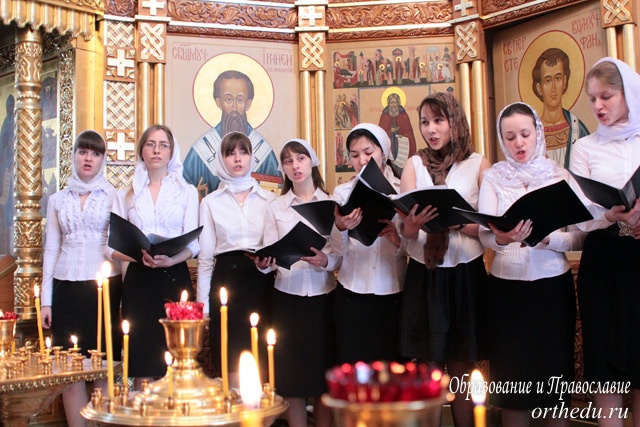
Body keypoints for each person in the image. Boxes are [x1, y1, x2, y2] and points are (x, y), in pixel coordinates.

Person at [479, 102, 585, 427]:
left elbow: (580, 237)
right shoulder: (493, 176)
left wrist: (549, 240)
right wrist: (503, 238)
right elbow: (484, 234)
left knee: (554, 382)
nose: (519, 143)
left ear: (538, 133)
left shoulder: (560, 176)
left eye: (525, 134)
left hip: (552, 290)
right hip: (506, 292)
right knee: (512, 383)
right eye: (510, 137)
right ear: (501, 139)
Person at [397, 92, 490, 427]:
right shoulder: (414, 164)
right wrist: (411, 227)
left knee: (463, 365)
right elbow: (406, 232)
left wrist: (457, 222)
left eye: (438, 120)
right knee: (429, 367)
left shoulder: (478, 164)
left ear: (455, 122)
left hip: (465, 274)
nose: (431, 129)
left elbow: (490, 227)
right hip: (426, 274)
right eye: (425, 122)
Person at [569, 57, 640, 427]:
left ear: (628, 94)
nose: (598, 106)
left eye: (606, 96)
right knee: (603, 363)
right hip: (603, 259)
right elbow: (578, 214)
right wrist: (609, 215)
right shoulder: (585, 148)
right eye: (593, 98)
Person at [253, 139, 338, 427]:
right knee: (292, 380)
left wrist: (326, 261)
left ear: (312, 161)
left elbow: (342, 253)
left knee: (323, 380)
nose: (295, 166)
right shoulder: (276, 206)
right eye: (288, 161)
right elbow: (268, 252)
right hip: (287, 299)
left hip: (323, 298)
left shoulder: (331, 204)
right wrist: (264, 263)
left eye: (300, 158)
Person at [42, 130, 122, 427]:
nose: (89, 158)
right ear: (74, 155)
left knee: (103, 367)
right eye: (83, 152)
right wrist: (46, 301)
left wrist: (126, 299)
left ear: (103, 159)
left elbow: (121, 247)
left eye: (96, 153)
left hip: (105, 287)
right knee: (70, 370)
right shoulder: (57, 200)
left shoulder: (115, 197)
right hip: (65, 287)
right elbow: (51, 248)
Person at [108, 124, 199, 385]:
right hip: (139, 280)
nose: (156, 150)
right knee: (144, 359)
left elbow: (195, 244)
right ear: (142, 151)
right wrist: (138, 257)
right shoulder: (126, 194)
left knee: (177, 359)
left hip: (174, 276)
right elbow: (110, 248)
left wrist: (172, 259)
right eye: (150, 144)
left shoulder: (187, 192)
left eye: (163, 145)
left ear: (171, 151)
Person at [197, 131, 277, 383]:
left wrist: (268, 265)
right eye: (230, 153)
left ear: (252, 157)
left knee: (262, 361)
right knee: (230, 360)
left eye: (244, 152)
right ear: (221, 160)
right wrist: (202, 308)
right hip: (226, 284)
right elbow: (205, 259)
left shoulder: (270, 200)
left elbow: (277, 249)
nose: (238, 159)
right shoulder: (210, 202)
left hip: (261, 282)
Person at [331, 123, 405, 364]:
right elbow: (337, 251)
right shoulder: (342, 193)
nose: (362, 160)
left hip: (392, 293)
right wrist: (341, 227)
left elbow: (416, 247)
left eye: (368, 152)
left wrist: (398, 240)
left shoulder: (402, 190)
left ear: (384, 152)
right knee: (354, 372)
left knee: (391, 373)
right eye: (354, 155)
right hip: (352, 294)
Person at [183, 70, 282, 195]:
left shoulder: (263, 152)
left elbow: (276, 194)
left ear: (248, 104)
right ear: (219, 103)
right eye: (229, 100)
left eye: (240, 100)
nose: (234, 108)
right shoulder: (201, 151)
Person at [531, 48, 590, 168]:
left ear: (564, 81)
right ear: (539, 88)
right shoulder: (532, 133)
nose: (553, 88)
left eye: (557, 78)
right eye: (548, 80)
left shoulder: (577, 129)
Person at [378, 92, 417, 172]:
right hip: (390, 145)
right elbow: (381, 133)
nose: (393, 105)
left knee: (401, 166)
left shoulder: (403, 115)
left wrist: (403, 135)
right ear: (388, 103)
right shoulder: (384, 115)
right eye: (391, 103)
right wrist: (390, 131)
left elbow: (409, 131)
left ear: (398, 103)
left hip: (401, 145)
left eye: (395, 102)